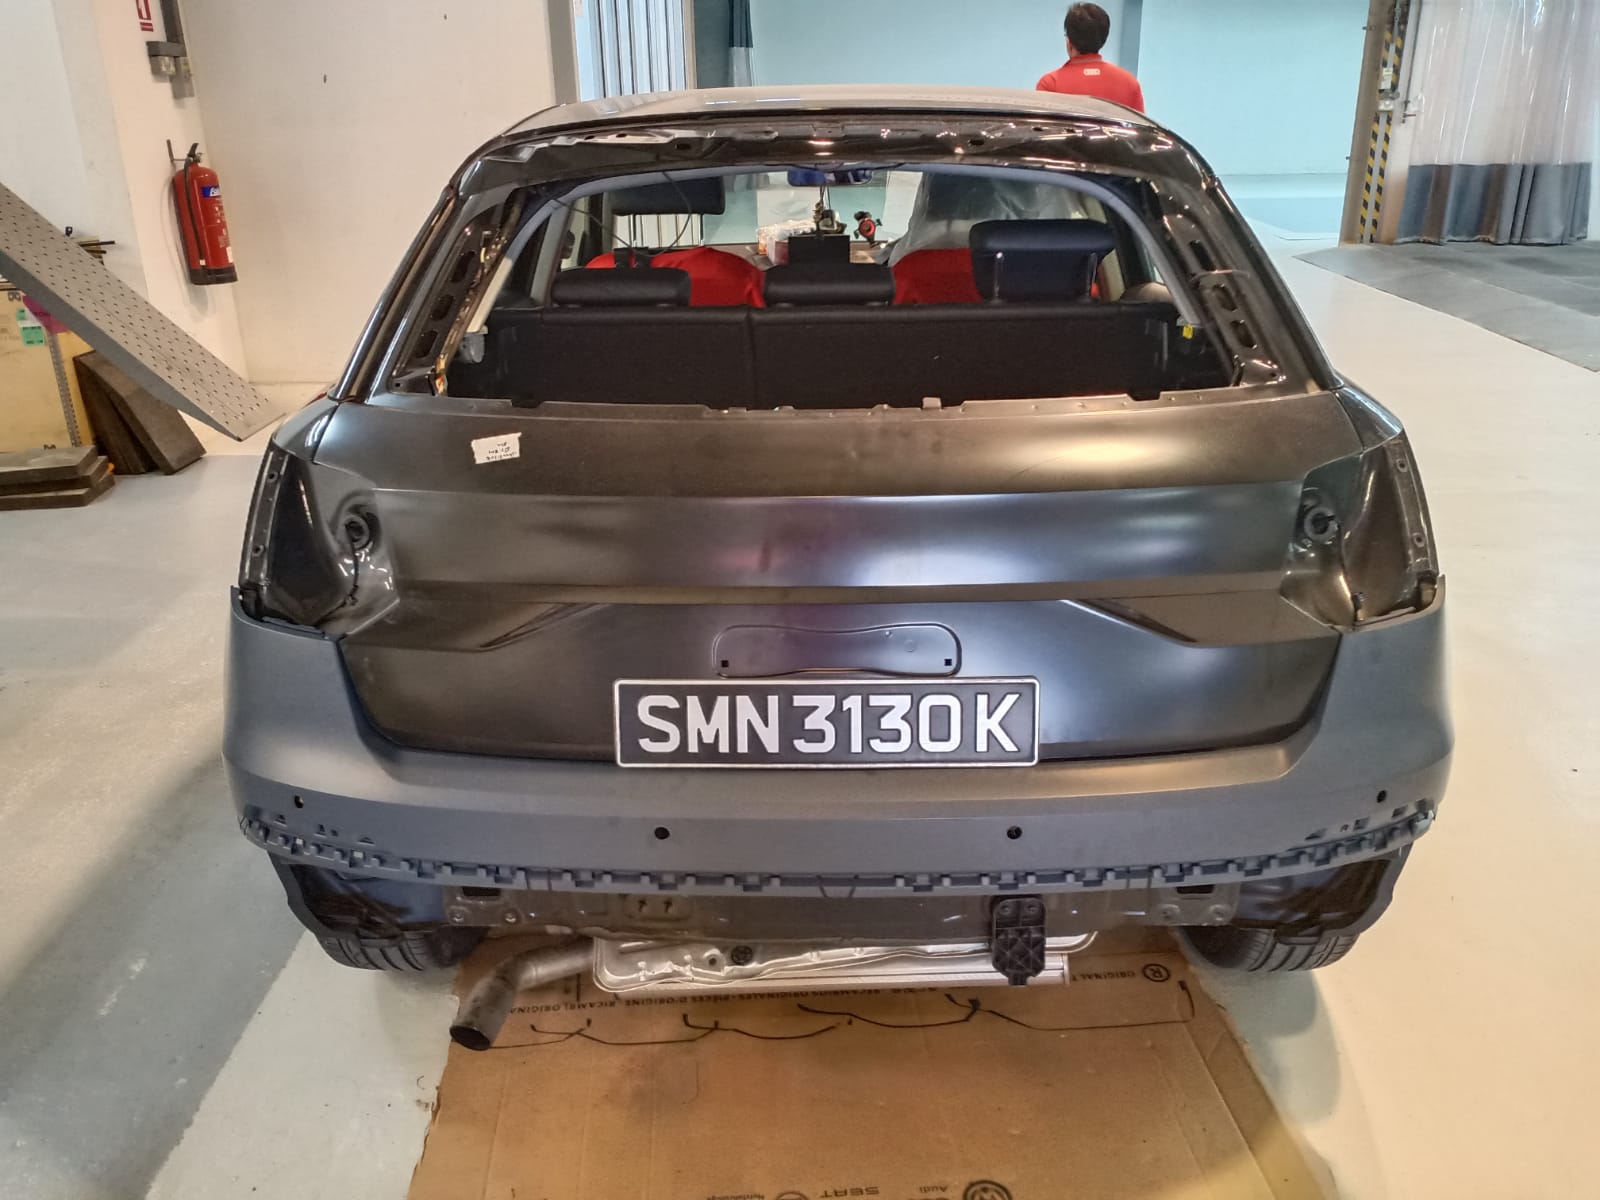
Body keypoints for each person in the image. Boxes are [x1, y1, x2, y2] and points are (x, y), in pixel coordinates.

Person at [1036, 3, 1144, 112]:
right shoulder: (1130, 84)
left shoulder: (1050, 84)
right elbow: (1139, 123)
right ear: (1104, 40)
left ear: (1069, 42)